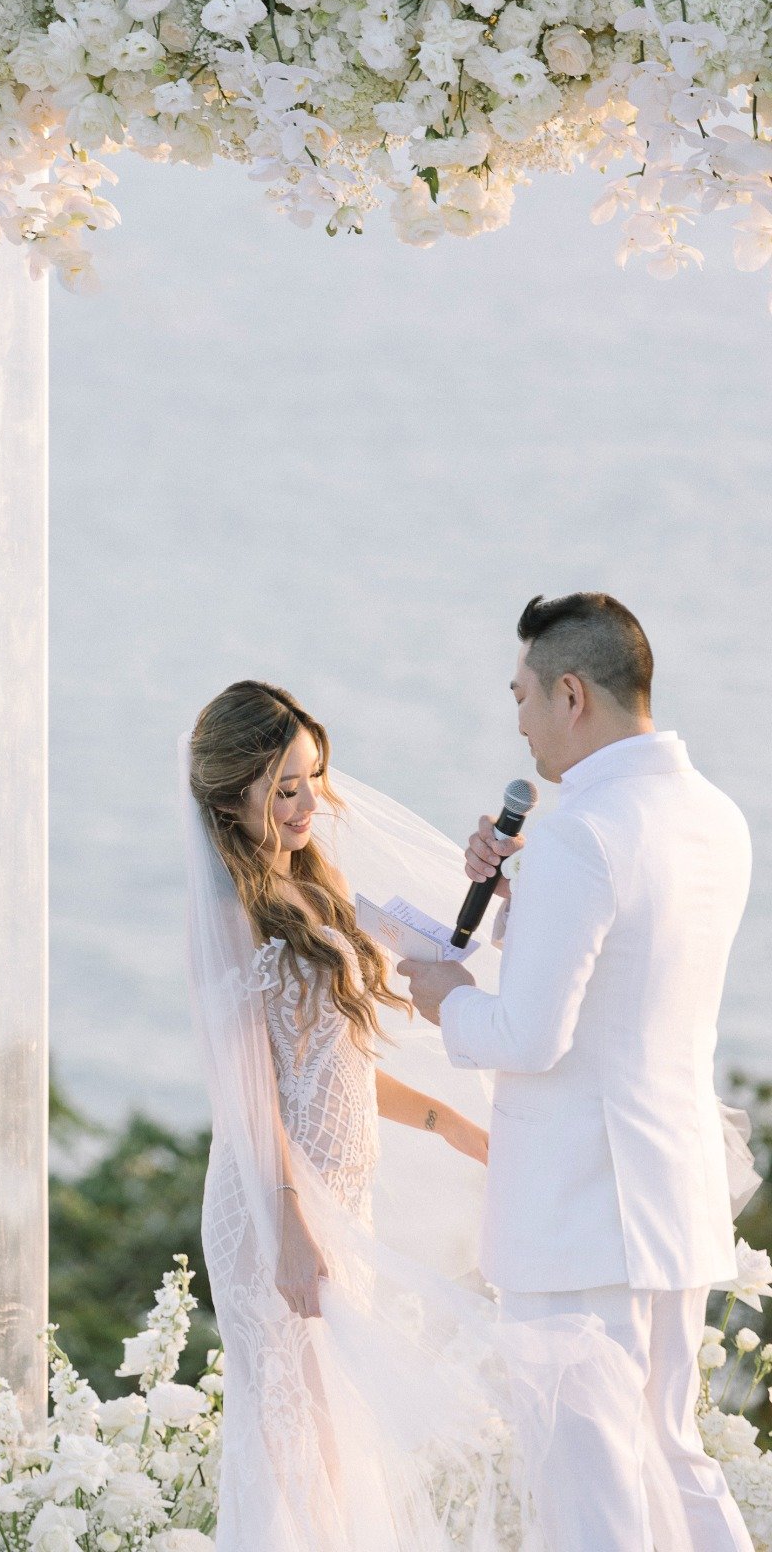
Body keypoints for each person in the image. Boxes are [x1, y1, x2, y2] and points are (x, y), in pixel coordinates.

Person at [182, 677, 709, 1552]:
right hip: (275, 1206)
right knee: (295, 1438)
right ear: (230, 794)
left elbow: (337, 1072)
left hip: (340, 1200)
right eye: (284, 788)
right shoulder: (227, 915)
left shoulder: (324, 891)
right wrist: (290, 1225)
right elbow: (252, 1098)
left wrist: (464, 1133)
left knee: (339, 1437)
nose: (311, 802)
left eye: (315, 776)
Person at [402, 592, 755, 1552]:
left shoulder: (579, 834)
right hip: (669, 1200)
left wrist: (446, 997)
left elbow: (528, 1037)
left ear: (570, 694)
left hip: (575, 1215)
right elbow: (630, 977)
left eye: (520, 696)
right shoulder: (714, 816)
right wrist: (524, 904)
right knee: (672, 1458)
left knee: (586, 1483)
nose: (516, 723)